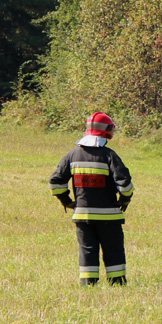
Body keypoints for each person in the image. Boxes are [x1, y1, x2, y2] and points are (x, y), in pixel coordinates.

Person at [49, 112, 134, 286]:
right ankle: (117, 283)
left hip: (83, 216)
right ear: (106, 132)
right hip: (109, 217)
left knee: (87, 250)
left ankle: (88, 285)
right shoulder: (109, 155)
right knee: (114, 251)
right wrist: (124, 200)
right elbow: (125, 185)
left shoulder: (72, 155)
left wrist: (67, 201)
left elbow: (55, 182)